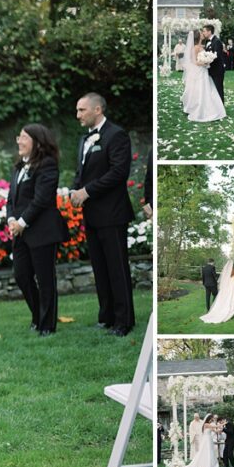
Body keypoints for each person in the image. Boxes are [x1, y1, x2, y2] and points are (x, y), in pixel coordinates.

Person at [69, 92, 135, 336]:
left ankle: (124, 321)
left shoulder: (116, 135)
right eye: (77, 110)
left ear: (97, 110)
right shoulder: (84, 139)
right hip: (92, 214)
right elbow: (82, 171)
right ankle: (106, 316)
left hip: (113, 213)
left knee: (117, 268)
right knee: (100, 268)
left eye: (82, 110)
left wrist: (87, 191)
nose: (78, 115)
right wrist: (75, 191)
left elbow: (118, 173)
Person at [6, 124, 67, 337]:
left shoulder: (47, 165)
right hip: (20, 231)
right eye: (19, 136)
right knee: (21, 275)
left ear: (37, 141)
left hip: (42, 230)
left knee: (45, 278)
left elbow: (42, 199)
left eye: (23, 137)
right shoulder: (18, 167)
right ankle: (37, 315)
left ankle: (47, 324)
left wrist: (22, 222)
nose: (19, 141)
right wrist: (12, 219)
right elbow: (11, 199)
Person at [182, 30, 227, 122]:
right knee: (201, 89)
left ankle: (207, 106)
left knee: (206, 89)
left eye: (203, 32)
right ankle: (199, 108)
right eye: (201, 33)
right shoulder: (195, 47)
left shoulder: (201, 46)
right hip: (200, 70)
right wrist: (205, 62)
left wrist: (207, 59)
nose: (203, 34)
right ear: (198, 36)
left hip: (203, 70)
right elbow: (194, 62)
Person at [201, 24, 227, 103]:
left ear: (209, 32)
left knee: (218, 88)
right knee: (212, 89)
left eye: (204, 31)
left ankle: (221, 107)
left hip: (217, 70)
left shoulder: (217, 41)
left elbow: (217, 56)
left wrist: (206, 61)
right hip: (210, 69)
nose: (203, 33)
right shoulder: (207, 41)